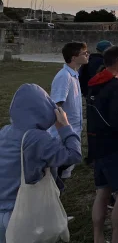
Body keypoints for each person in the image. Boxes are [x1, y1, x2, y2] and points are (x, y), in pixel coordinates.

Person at [0, 84, 82, 243]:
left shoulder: (4, 132)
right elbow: (74, 155)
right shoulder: (36, 138)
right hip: (21, 214)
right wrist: (65, 127)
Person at [86, 46, 118, 243]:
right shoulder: (116, 87)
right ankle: (117, 238)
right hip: (114, 147)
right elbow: (117, 121)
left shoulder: (95, 83)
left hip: (97, 145)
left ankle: (98, 238)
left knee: (102, 192)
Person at [48, 41, 89, 179]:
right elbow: (56, 106)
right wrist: (64, 130)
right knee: (58, 175)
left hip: (72, 131)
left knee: (64, 175)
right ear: (73, 57)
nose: (87, 55)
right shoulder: (64, 76)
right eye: (84, 53)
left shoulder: (74, 75)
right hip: (62, 135)